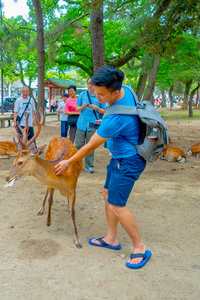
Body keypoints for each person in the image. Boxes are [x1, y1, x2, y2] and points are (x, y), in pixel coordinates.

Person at [55, 66, 151, 269]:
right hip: (118, 157)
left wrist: (67, 162)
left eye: (100, 94)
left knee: (117, 204)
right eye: (94, 92)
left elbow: (89, 146)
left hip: (128, 160)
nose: (96, 97)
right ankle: (111, 238)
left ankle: (140, 247)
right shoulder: (127, 92)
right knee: (107, 194)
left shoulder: (116, 119)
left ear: (115, 92)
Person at [75, 77, 107, 174]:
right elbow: (77, 109)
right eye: (89, 83)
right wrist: (83, 106)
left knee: (90, 146)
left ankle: (89, 166)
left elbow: (104, 111)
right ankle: (77, 165)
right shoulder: (82, 95)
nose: (91, 85)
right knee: (78, 145)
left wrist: (97, 108)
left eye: (92, 84)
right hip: (81, 123)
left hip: (92, 124)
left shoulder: (100, 96)